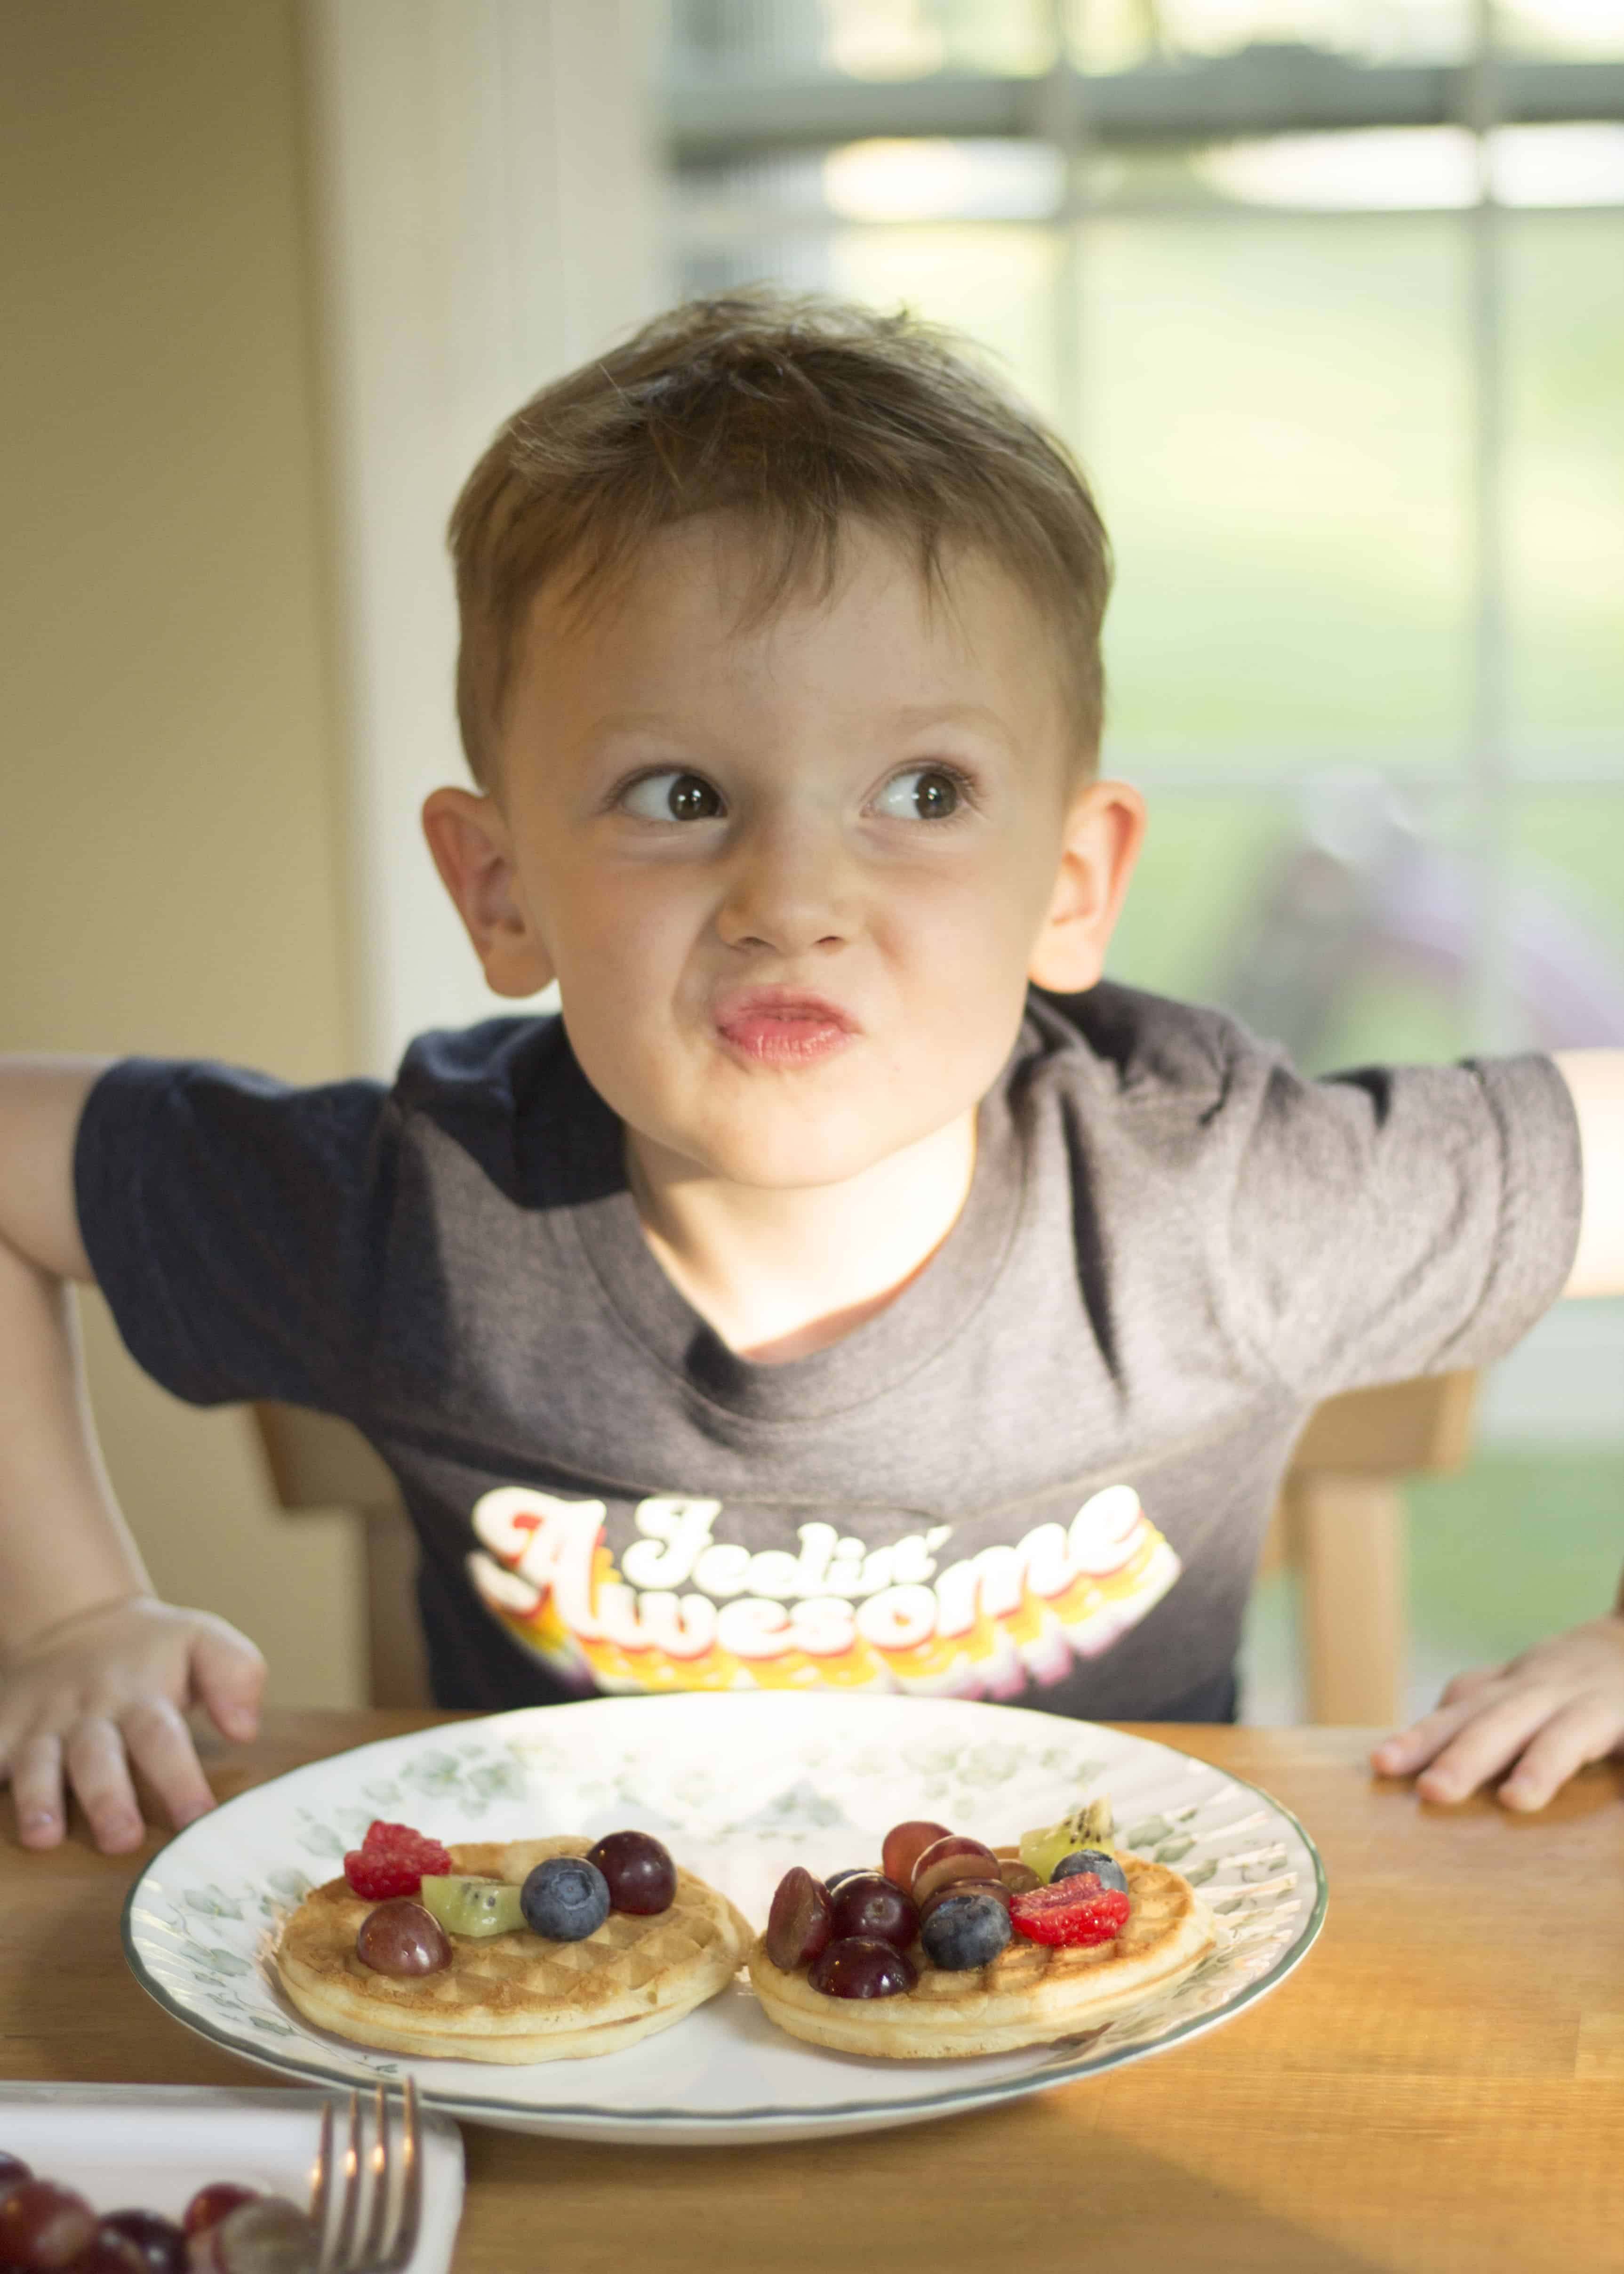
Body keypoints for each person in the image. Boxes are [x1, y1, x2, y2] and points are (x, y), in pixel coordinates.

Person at [1, 293, 1621, 1860]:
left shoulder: (1215, 1205)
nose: (790, 898)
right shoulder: (422, 1215)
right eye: (680, 790)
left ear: (1068, 882)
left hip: (1093, 2037)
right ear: (500, 890)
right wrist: (70, 1614)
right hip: (576, 2046)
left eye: (923, 791)